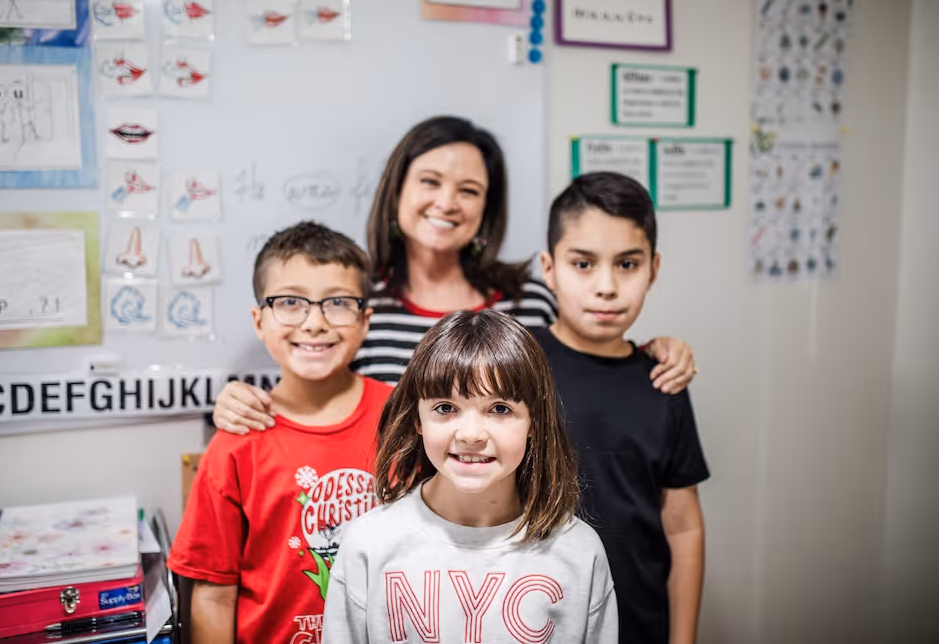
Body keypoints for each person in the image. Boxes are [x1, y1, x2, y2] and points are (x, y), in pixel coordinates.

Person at [212, 116, 697, 434]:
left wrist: (654, 349)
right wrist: (239, 401)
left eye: (468, 190)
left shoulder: (528, 300)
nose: (446, 203)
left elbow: (585, 363)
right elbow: (313, 391)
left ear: (486, 209)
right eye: (429, 182)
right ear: (396, 189)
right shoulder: (355, 304)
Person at [322, 310, 618, 643]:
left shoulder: (578, 552)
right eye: (446, 408)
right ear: (417, 419)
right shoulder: (368, 544)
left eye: (500, 409)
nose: (472, 434)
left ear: (534, 420)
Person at [167, 222, 393, 644]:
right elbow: (214, 597)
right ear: (259, 320)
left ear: (365, 321)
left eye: (338, 303)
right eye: (291, 302)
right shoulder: (236, 443)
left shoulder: (403, 420)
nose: (315, 322)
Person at [536, 172, 709, 644]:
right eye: (584, 264)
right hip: (532, 619)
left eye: (627, 264)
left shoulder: (664, 379)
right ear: (549, 268)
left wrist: (683, 638)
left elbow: (683, 526)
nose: (607, 286)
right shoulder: (516, 366)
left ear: (653, 268)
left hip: (637, 621)